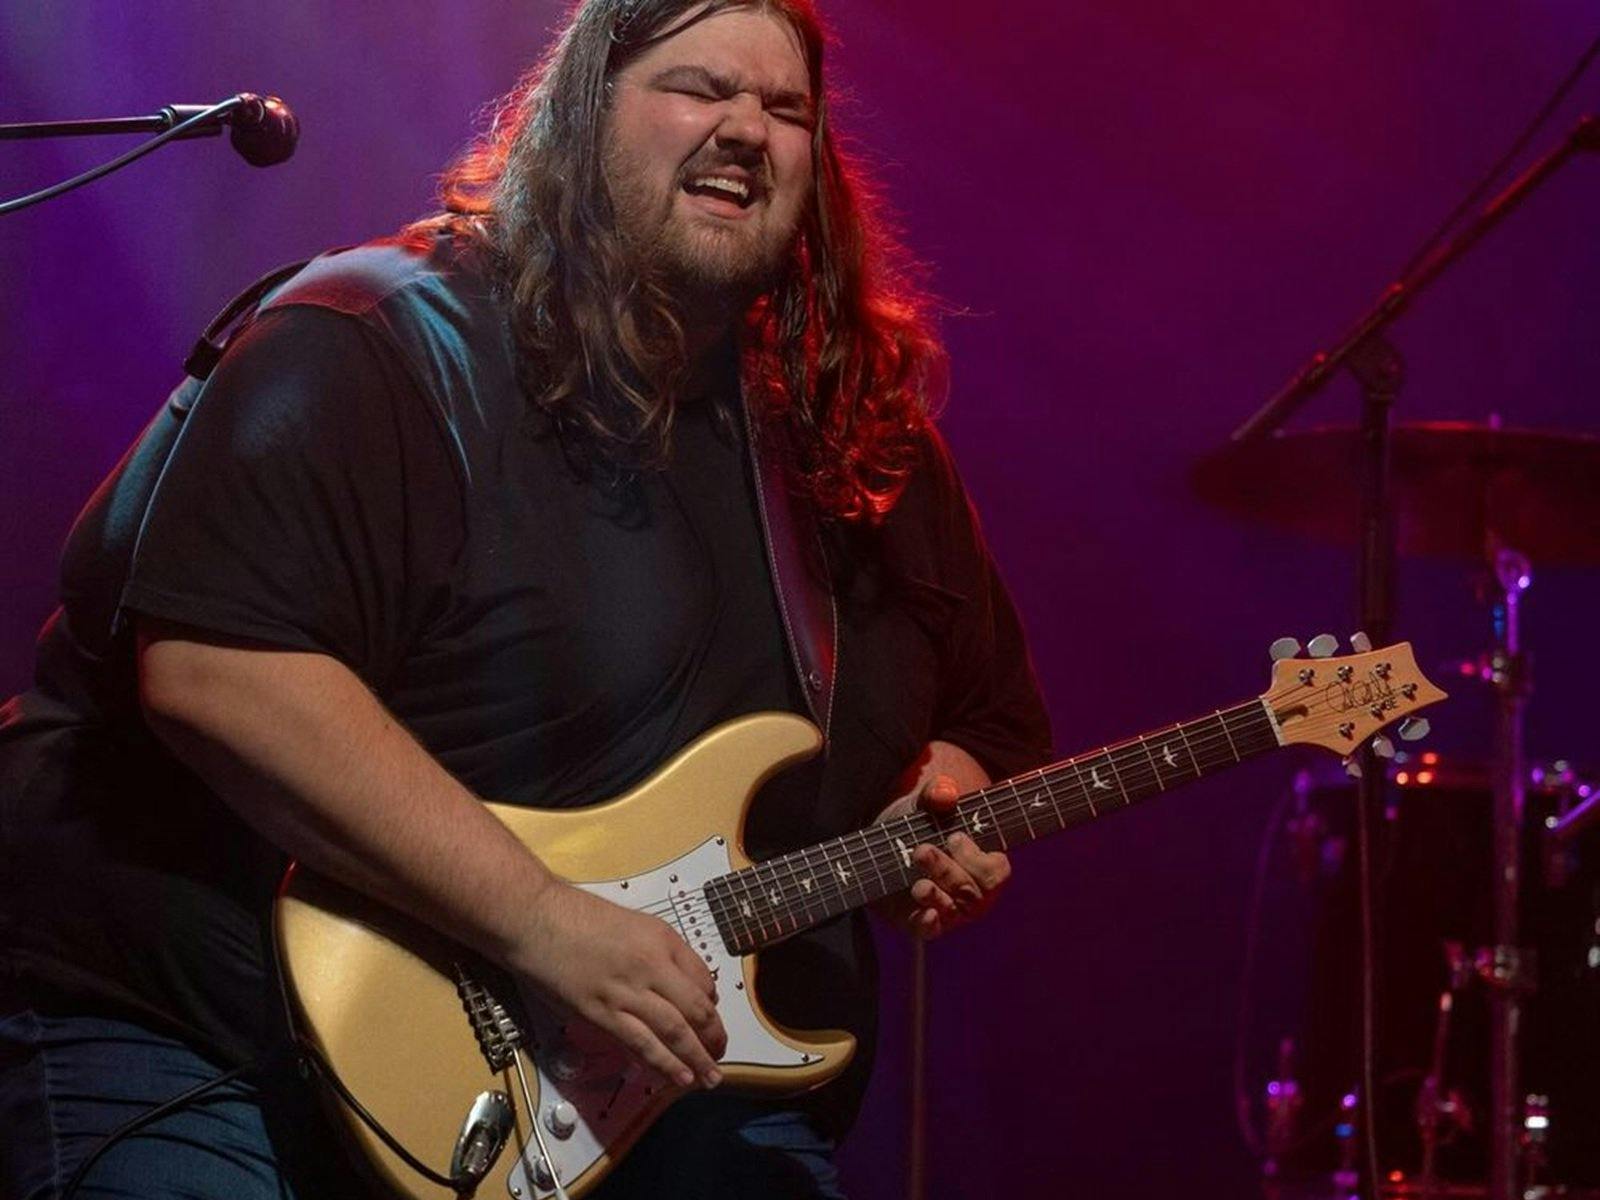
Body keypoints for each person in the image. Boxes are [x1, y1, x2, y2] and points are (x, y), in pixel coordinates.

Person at [0, 1, 1052, 1196]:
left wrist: (946, 791)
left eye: (787, 109)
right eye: (700, 89)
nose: (747, 132)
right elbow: (219, 669)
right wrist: (545, 924)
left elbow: (986, 720)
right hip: (196, 1023)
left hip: (600, 1079)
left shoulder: (855, 440)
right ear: (581, 112)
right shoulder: (379, 337)